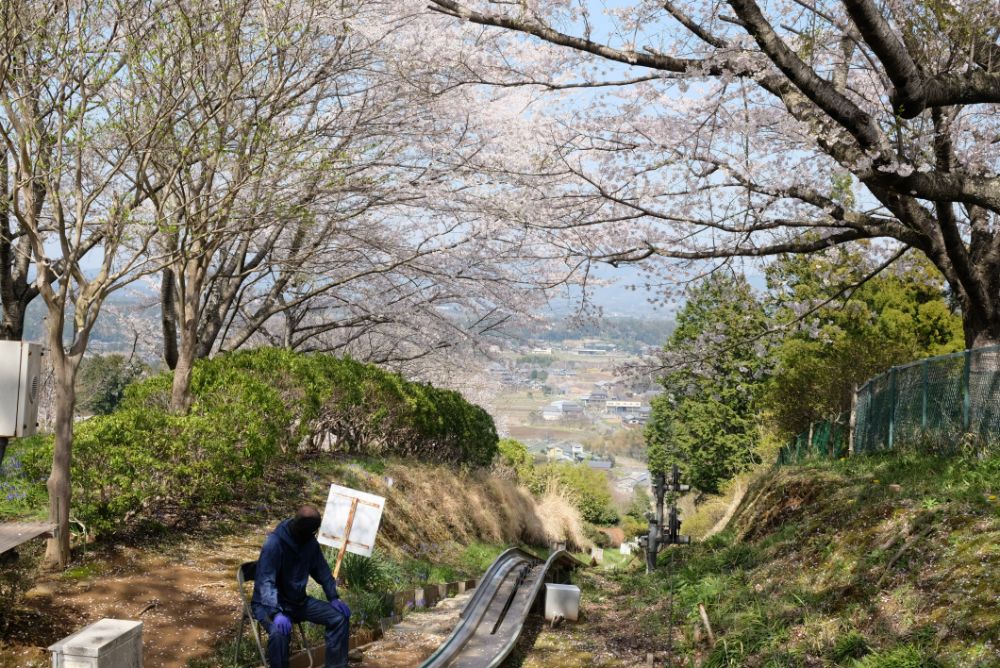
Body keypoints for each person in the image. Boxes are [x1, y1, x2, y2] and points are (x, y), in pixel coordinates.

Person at [252, 505, 351, 668]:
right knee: (279, 634)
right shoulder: (274, 543)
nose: (313, 536)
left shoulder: (309, 543)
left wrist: (333, 597)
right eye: (311, 533)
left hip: (298, 603)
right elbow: (265, 583)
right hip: (268, 605)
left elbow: (323, 571)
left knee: (338, 618)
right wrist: (276, 613)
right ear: (300, 529)